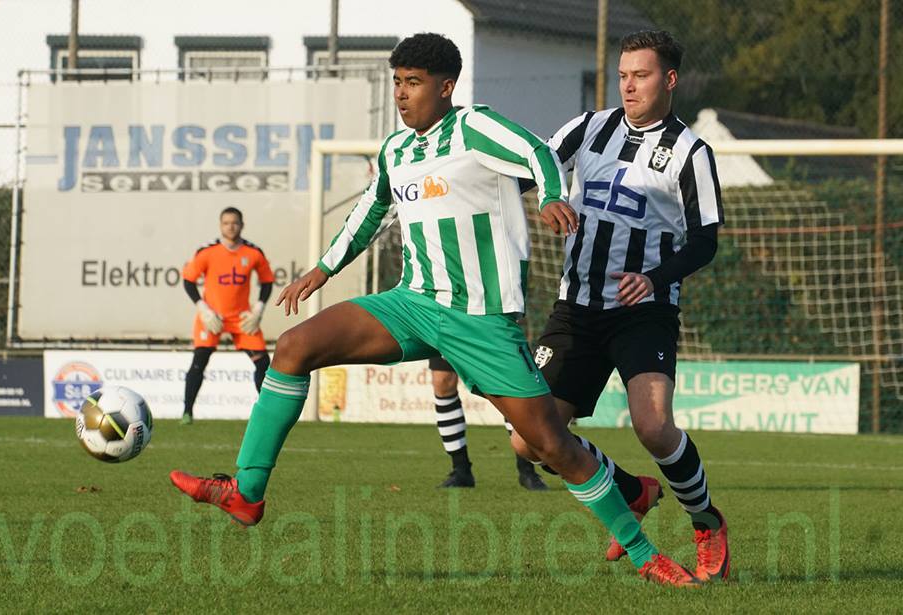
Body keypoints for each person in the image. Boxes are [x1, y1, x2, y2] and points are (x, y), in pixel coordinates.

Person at [169, 32, 698, 586]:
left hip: (482, 319)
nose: (401, 94)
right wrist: (322, 269)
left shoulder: (475, 127)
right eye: (397, 82)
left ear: (446, 88)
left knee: (549, 445)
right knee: (296, 346)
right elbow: (370, 212)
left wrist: (547, 195)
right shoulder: (395, 151)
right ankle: (247, 492)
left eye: (413, 83)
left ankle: (644, 552)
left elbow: (537, 152)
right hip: (414, 302)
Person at [513, 30, 729, 582]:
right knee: (530, 438)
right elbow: (532, 169)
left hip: (645, 309)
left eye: (642, 75)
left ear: (670, 79)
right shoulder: (588, 127)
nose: (629, 86)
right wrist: (547, 195)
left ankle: (706, 522)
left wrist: (654, 278)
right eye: (624, 75)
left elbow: (705, 240)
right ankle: (633, 490)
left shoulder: (690, 152)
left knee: (654, 427)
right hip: (576, 308)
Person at [180, 207, 275, 424]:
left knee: (263, 364)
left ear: (242, 225)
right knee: (199, 361)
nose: (230, 226)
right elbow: (188, 280)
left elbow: (267, 281)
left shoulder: (253, 253)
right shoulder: (207, 252)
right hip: (212, 317)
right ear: (220, 226)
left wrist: (258, 309)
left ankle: (267, 414)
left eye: (234, 222)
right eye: (226, 223)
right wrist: (203, 308)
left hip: (242, 319)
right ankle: (187, 412)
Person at [429, 356, 547, 490]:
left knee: (509, 384)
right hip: (448, 334)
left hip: (491, 335)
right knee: (442, 381)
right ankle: (460, 470)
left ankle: (527, 470)